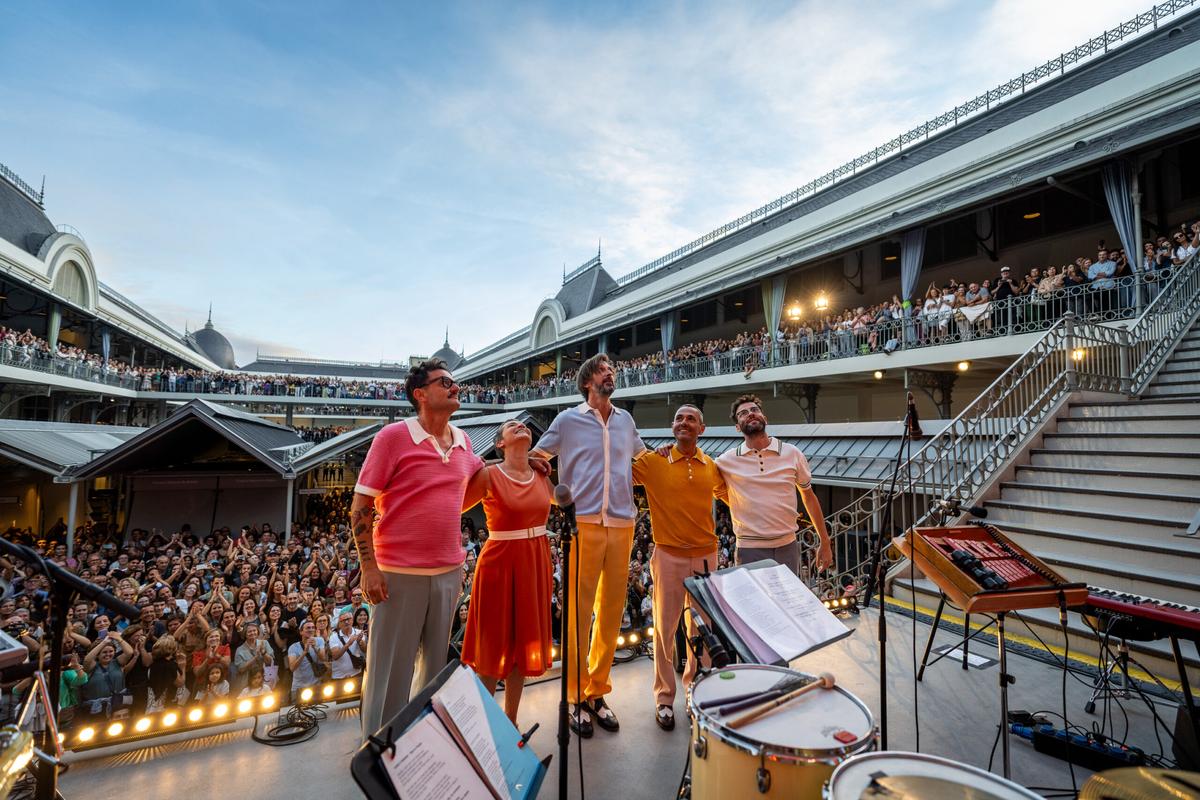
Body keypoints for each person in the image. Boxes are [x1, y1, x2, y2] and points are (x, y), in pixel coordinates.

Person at [350, 358, 485, 741]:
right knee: (389, 674)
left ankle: (422, 748)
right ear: (420, 394)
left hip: (447, 574)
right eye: (445, 382)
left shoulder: (464, 441)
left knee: (433, 675)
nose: (454, 387)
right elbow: (360, 507)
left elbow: (475, 483)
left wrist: (531, 463)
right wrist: (370, 568)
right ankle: (378, 753)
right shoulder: (392, 437)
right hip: (398, 575)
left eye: (455, 382)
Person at [532, 353, 646, 738]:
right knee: (579, 614)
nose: (610, 373)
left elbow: (642, 460)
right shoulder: (566, 421)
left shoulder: (626, 420)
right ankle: (573, 696)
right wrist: (556, 498)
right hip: (581, 525)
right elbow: (536, 457)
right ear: (587, 383)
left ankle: (597, 692)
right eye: (602, 370)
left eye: (611, 369)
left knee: (611, 613)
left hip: (622, 524)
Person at [633, 405, 723, 732]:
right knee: (664, 630)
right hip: (668, 555)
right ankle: (664, 697)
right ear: (672, 427)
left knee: (702, 629)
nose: (683, 422)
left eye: (691, 419)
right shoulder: (653, 461)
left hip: (705, 556)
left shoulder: (711, 466)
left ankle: (695, 690)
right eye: (678, 418)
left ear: (703, 428)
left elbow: (734, 495)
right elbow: (616, 472)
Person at [460, 418, 555, 725]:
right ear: (500, 442)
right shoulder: (489, 474)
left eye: (524, 425)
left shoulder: (541, 475)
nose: (521, 426)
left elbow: (565, 499)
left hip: (536, 560)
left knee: (522, 642)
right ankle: (483, 725)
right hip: (499, 562)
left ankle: (510, 720)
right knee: (493, 642)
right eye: (512, 425)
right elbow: (454, 505)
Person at [716, 395, 834, 576]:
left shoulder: (792, 453)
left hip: (787, 545)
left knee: (785, 602)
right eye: (743, 413)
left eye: (755, 410)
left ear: (764, 418)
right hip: (749, 547)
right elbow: (701, 473)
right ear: (738, 426)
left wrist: (825, 543)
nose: (750, 414)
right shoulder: (726, 461)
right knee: (754, 603)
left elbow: (809, 497)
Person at [287, 619, 328, 702]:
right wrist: (304, 652)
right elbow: (292, 668)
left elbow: (323, 658)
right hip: (299, 687)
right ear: (301, 632)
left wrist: (315, 647)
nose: (311, 629)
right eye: (308, 628)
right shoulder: (293, 647)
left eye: (313, 627)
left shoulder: (319, 640)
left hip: (316, 685)